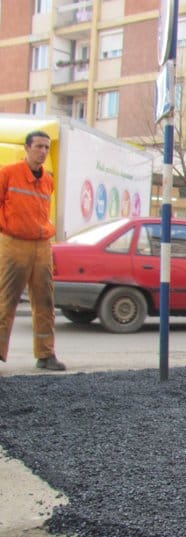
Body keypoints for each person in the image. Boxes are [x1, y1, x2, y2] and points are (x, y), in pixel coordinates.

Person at [0, 130, 66, 371]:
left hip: (41, 245)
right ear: (27, 148)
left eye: (47, 147)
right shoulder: (8, 173)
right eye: (38, 146)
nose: (43, 151)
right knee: (6, 301)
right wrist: (6, 227)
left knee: (45, 301)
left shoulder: (47, 180)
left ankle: (45, 354)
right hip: (14, 243)